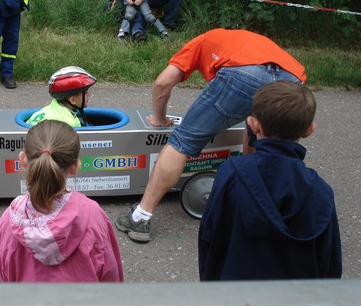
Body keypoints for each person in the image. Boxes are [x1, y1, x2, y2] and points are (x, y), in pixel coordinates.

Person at [115, 28, 307, 243]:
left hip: (243, 74)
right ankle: (265, 212)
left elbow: (163, 82)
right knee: (271, 145)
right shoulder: (244, 40)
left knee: (182, 142)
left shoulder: (201, 41)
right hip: (293, 80)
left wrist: (160, 119)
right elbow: (251, 126)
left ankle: (140, 216)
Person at [199, 81, 342, 280]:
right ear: (309, 130)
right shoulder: (320, 191)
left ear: (254, 124)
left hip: (232, 294)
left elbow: (210, 236)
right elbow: (329, 261)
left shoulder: (231, 173)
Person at [0, 120, 124, 282]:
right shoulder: (92, 216)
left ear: (23, 160)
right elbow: (110, 276)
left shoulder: (8, 222)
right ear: (75, 166)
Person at [26, 66, 97, 127]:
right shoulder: (69, 124)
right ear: (73, 100)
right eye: (85, 93)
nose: (89, 95)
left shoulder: (46, 111)